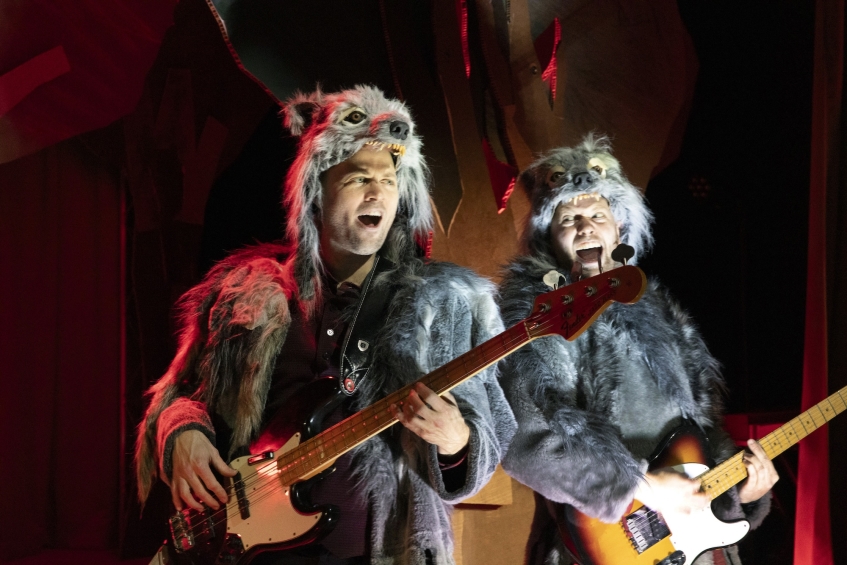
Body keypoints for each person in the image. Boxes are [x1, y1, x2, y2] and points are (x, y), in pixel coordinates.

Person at [134, 85, 516, 565]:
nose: (378, 192)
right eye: (359, 178)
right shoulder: (242, 294)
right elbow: (182, 395)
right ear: (317, 191)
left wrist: (456, 440)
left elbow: (487, 436)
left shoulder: (445, 304)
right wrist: (181, 433)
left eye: (390, 180)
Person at [497, 135, 778, 565]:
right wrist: (640, 487)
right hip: (597, 549)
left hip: (693, 548)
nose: (585, 227)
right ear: (548, 237)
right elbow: (525, 442)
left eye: (597, 215)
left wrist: (744, 490)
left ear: (619, 229)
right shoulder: (538, 316)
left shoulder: (660, 310)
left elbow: (701, 432)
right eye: (568, 219)